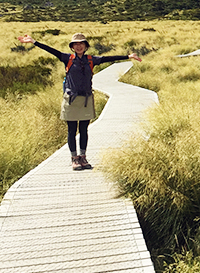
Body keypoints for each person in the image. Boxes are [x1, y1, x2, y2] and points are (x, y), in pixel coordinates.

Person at [18, 32, 142, 171]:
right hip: (71, 99)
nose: (78, 46)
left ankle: (83, 157)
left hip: (86, 99)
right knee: (71, 130)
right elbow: (52, 50)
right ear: (72, 46)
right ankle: (74, 158)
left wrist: (128, 56)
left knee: (84, 129)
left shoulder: (91, 59)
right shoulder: (67, 58)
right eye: (75, 44)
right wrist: (34, 42)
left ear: (85, 46)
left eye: (81, 43)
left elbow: (108, 58)